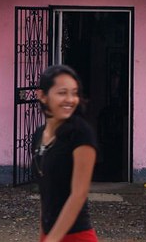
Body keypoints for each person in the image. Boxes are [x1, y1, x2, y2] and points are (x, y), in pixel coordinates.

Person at [32, 64, 98, 242]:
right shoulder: (39, 135)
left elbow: (78, 195)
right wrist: (43, 235)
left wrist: (51, 240)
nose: (70, 99)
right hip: (50, 234)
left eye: (74, 93)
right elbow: (45, 194)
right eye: (62, 93)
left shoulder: (81, 133)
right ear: (42, 96)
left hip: (77, 236)